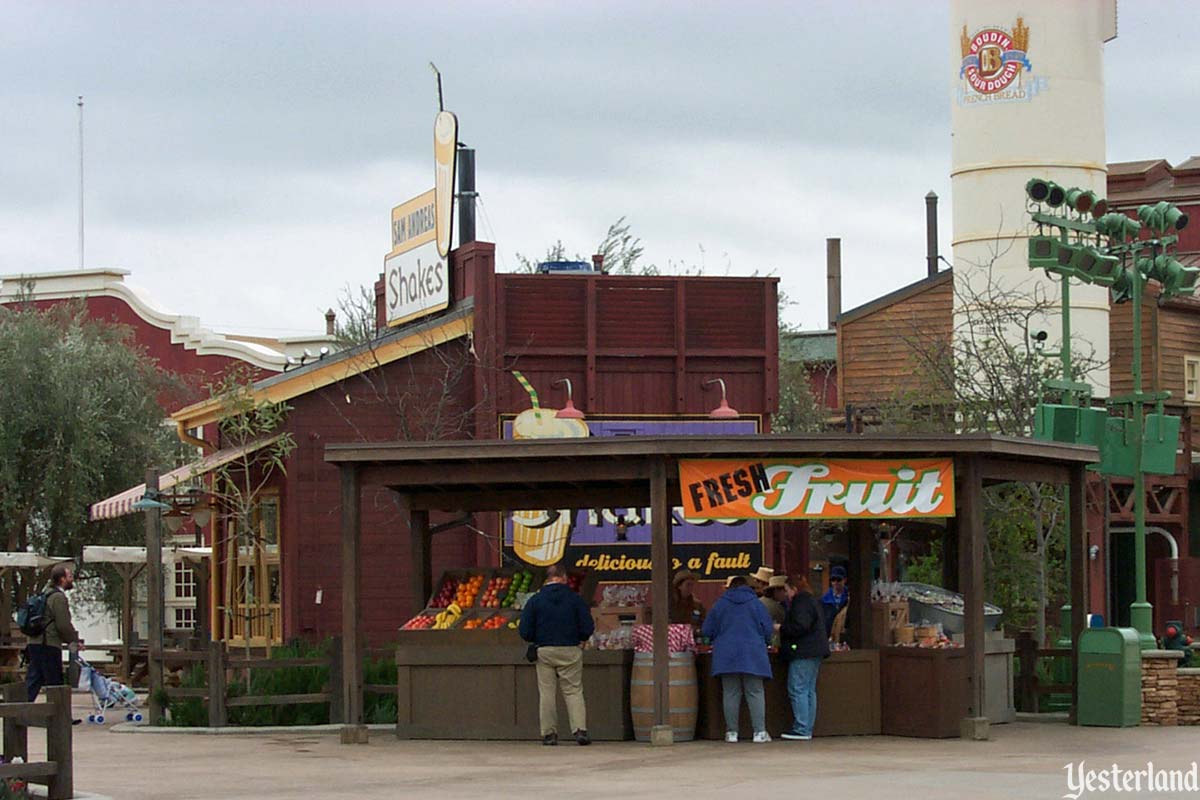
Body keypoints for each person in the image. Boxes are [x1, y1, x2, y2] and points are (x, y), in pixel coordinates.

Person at [518, 563, 595, 746]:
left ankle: (549, 734)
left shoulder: (535, 600)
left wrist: (535, 638)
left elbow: (525, 630)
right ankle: (580, 730)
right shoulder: (575, 599)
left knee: (547, 692)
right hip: (570, 649)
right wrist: (581, 637)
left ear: (548, 579)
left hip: (544, 650)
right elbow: (587, 627)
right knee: (573, 690)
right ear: (563, 578)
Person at [701, 575, 775, 743]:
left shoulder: (720, 604)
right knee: (755, 692)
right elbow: (768, 629)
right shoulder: (757, 604)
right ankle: (759, 732)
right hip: (753, 652)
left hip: (726, 653)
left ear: (730, 588)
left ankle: (732, 732)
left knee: (731, 693)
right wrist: (767, 641)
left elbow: (707, 630)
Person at [779, 574, 829, 741]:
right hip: (816, 651)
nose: (786, 594)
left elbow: (800, 625)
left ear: (794, 589)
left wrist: (781, 627)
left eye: (786, 590)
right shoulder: (812, 600)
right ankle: (807, 727)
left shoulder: (800, 602)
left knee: (797, 688)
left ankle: (801, 728)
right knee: (809, 690)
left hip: (803, 651)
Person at [26, 563, 80, 702]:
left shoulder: (44, 593)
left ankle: (19, 712)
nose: (72, 579)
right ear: (62, 579)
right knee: (55, 681)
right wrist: (73, 641)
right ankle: (60, 716)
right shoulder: (58, 597)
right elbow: (63, 624)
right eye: (69, 576)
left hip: (34, 642)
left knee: (34, 679)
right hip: (48, 643)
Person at [820, 565, 849, 636]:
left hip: (846, 636)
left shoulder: (850, 598)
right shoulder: (823, 600)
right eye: (833, 579)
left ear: (845, 580)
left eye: (838, 579)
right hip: (829, 636)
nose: (835, 582)